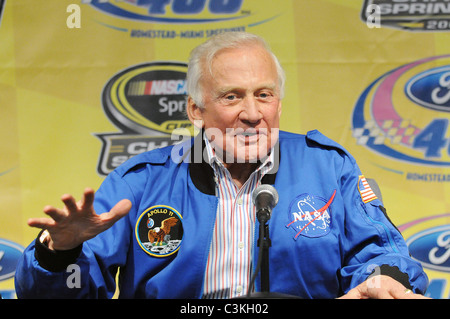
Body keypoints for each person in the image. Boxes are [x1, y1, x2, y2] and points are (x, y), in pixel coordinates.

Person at [15, 32, 429, 299]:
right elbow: (67, 294)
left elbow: (379, 253)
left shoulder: (329, 168)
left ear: (279, 103)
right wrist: (58, 255)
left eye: (264, 95)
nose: (252, 113)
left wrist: (384, 277)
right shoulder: (142, 181)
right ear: (196, 109)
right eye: (232, 97)